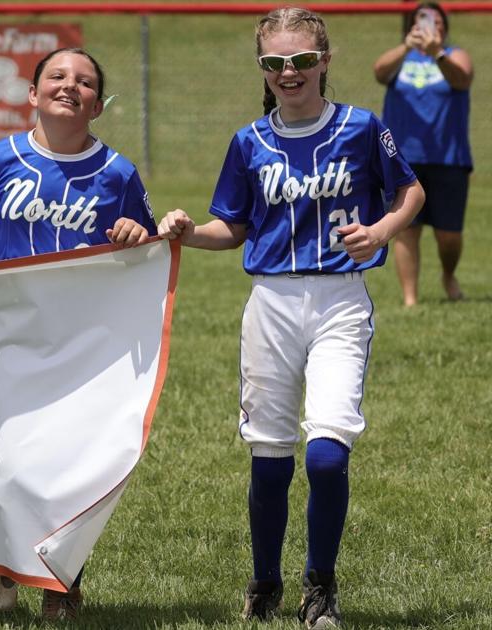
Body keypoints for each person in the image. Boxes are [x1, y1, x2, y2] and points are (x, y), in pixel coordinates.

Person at [156, 7, 424, 629]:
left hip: (340, 300)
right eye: (275, 62)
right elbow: (236, 226)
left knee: (328, 454)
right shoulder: (250, 141)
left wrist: (381, 229)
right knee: (270, 456)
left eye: (302, 60)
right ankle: (266, 582)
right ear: (263, 69)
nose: (289, 72)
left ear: (325, 61)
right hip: (271, 305)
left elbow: (409, 191)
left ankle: (321, 585)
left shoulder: (360, 127)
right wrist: (188, 231)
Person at [0, 47, 155, 620]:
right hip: (2, 333)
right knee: (4, 461)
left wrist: (133, 231)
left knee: (71, 466)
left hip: (80, 343)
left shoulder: (117, 173)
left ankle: (61, 582)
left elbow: (143, 250)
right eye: (58, 77)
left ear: (98, 104)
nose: (71, 86)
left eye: (86, 82)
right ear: (32, 94)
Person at [373, 1, 474, 306]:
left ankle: (448, 274)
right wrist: (406, 47)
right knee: (406, 228)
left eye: (438, 23)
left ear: (444, 28)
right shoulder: (400, 58)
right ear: (411, 27)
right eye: (424, 22)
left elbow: (462, 78)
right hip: (404, 158)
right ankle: (410, 299)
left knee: (448, 236)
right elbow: (379, 72)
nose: (432, 28)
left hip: (448, 157)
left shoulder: (454, 56)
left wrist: (437, 53)